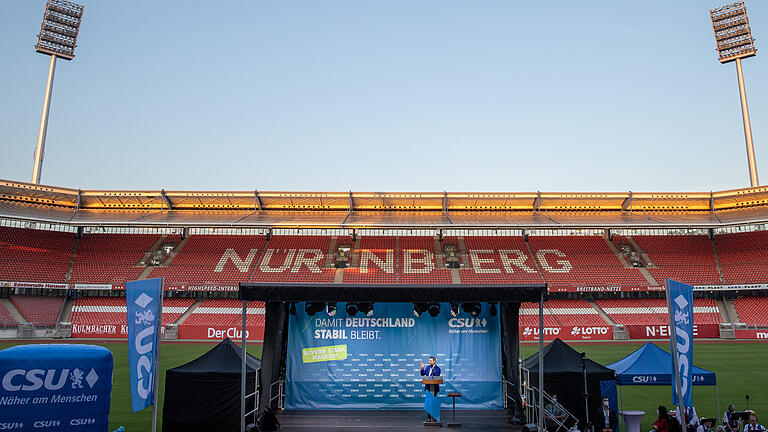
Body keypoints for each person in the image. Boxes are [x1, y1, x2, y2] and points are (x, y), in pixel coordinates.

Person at [419, 356, 441, 423]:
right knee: (428, 403)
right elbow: (423, 374)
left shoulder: (438, 369)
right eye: (429, 361)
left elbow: (436, 376)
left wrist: (432, 371)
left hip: (434, 388)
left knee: (433, 403)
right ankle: (428, 417)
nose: (429, 362)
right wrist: (422, 368)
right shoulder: (428, 367)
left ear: (434, 361)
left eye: (431, 361)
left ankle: (434, 417)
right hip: (428, 387)